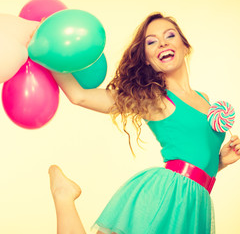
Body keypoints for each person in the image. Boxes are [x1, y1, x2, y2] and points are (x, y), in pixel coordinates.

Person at [48, 12, 240, 234]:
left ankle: (63, 195)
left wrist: (221, 162)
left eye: (170, 35)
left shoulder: (205, 99)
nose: (163, 43)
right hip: (167, 195)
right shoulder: (153, 98)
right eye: (152, 41)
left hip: (196, 203)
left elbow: (196, 161)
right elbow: (79, 95)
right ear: (147, 58)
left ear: (185, 46)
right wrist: (47, 55)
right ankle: (64, 196)